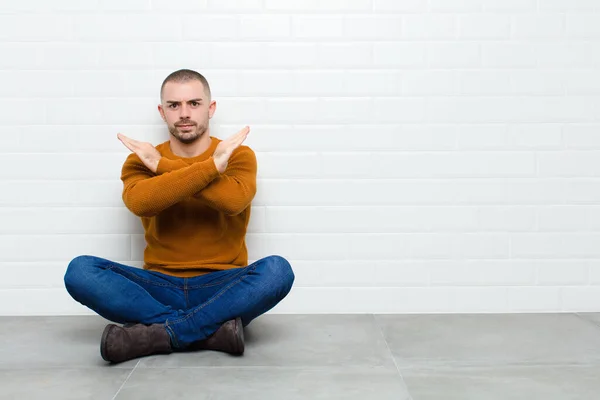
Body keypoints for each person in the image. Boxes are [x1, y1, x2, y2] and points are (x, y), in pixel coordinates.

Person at [64, 69, 295, 364]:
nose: (184, 113)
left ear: (210, 109)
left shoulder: (236, 154)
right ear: (162, 112)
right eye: (174, 105)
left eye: (194, 104)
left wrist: (162, 166)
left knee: (278, 271)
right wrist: (210, 169)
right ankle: (206, 330)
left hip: (222, 286)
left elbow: (233, 200)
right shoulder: (141, 159)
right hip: (159, 286)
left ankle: (162, 332)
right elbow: (141, 202)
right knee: (80, 271)